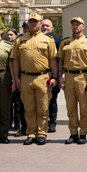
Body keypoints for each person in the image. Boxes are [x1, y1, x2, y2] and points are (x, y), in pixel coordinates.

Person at [11, 12, 58, 145]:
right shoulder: (20, 40)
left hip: (43, 77)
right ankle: (31, 133)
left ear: (40, 23)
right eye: (30, 21)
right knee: (28, 108)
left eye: (35, 21)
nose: (32, 23)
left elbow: (53, 60)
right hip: (25, 78)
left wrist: (54, 77)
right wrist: (16, 79)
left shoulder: (48, 39)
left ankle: (41, 133)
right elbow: (15, 61)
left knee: (42, 108)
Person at [59, 17, 87, 145]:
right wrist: (60, 76)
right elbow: (61, 61)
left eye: (78, 24)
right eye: (73, 24)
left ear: (83, 26)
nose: (75, 27)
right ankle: (73, 133)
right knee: (71, 107)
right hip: (69, 76)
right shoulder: (65, 42)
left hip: (83, 76)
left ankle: (83, 133)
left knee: (83, 107)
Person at [41, 18, 61, 133]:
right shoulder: (36, 39)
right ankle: (42, 123)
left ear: (52, 28)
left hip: (53, 74)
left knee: (52, 100)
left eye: (47, 26)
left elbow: (60, 60)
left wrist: (57, 76)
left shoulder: (57, 40)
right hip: (40, 74)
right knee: (41, 101)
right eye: (43, 25)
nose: (45, 28)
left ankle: (52, 122)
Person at [6, 29, 23, 131]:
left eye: (11, 35)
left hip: (17, 75)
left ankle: (17, 123)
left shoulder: (18, 46)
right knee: (8, 102)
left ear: (16, 36)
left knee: (17, 102)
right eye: (7, 35)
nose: (9, 37)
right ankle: (8, 124)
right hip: (6, 76)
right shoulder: (4, 45)